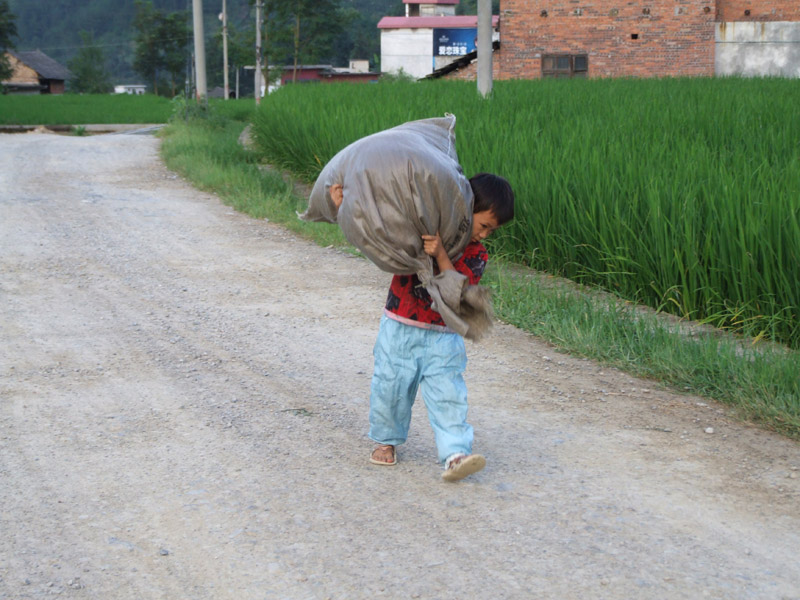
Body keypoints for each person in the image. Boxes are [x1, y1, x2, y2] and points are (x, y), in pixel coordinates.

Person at [332, 173, 514, 482]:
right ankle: (386, 440)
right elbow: (379, 238)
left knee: (448, 394)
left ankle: (456, 453)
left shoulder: (477, 255)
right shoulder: (420, 229)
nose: (485, 235)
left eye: (491, 231)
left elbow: (457, 292)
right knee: (390, 386)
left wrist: (442, 255)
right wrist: (344, 208)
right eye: (484, 225)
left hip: (444, 337)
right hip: (400, 327)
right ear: (464, 207)